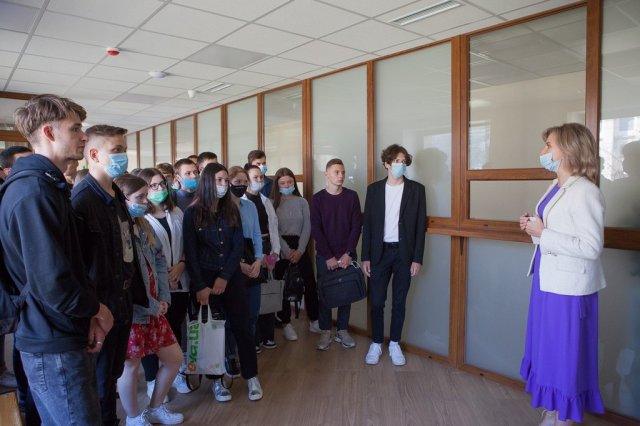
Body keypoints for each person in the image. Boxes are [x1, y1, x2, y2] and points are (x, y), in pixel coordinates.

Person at [1, 94, 113, 426]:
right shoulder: (34, 192)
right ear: (49, 132)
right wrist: (96, 309)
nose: (84, 136)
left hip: (60, 331)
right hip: (52, 340)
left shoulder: (48, 186)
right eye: (75, 128)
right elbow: (52, 282)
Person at [519, 123, 606, 426]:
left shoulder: (586, 191)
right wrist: (533, 228)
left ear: (568, 150)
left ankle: (563, 417)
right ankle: (553, 408)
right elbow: (551, 231)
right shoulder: (556, 186)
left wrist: (543, 232)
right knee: (548, 349)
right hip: (548, 280)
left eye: (549, 145)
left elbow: (591, 247)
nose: (543, 151)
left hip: (570, 288)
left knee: (565, 353)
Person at [72, 124, 148, 426]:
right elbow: (77, 265)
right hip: (101, 305)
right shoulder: (82, 200)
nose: (123, 156)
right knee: (100, 382)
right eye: (116, 150)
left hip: (123, 298)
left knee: (113, 374)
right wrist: (93, 309)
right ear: (93, 154)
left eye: (124, 149)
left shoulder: (116, 194)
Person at [183, 163, 263, 402]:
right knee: (212, 332)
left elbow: (237, 246)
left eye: (226, 180)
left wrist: (225, 277)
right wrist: (200, 286)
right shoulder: (192, 213)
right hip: (205, 280)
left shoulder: (231, 210)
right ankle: (217, 381)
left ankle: (251, 377)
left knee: (243, 328)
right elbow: (191, 253)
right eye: (219, 180)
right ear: (208, 182)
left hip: (231, 278)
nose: (224, 184)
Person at [114, 175, 184, 426]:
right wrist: (152, 304)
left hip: (155, 308)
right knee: (130, 367)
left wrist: (163, 298)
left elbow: (159, 263)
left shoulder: (143, 225)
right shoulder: (118, 229)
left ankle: (155, 408)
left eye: (146, 196)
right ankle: (134, 417)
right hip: (134, 311)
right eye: (140, 197)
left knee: (174, 358)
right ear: (123, 199)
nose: (146, 201)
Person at [361, 144, 426, 366]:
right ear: (387, 164)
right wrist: (365, 256)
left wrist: (417, 258)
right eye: (397, 161)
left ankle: (395, 343)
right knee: (377, 302)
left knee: (399, 302)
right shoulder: (374, 190)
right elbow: (368, 225)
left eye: (404, 161)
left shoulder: (417, 190)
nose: (401, 164)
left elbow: (420, 227)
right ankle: (376, 342)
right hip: (379, 253)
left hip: (404, 254)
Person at [138, 168, 192, 396]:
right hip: (154, 285)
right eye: (153, 186)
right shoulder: (141, 218)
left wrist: (180, 266)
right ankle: (153, 380)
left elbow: (189, 244)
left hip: (180, 279)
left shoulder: (177, 212)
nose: (159, 189)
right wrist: (164, 277)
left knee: (174, 328)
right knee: (152, 334)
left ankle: (176, 374)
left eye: (162, 184)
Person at [311, 158, 362, 350]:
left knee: (345, 294)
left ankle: (342, 330)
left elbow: (356, 227)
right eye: (336, 172)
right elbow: (316, 230)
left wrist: (348, 253)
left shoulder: (352, 197)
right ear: (327, 174)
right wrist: (329, 256)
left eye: (343, 172)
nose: (340, 176)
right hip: (325, 256)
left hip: (347, 254)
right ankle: (325, 331)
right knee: (324, 294)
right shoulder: (317, 199)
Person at [271, 167, 320, 341]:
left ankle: (314, 320)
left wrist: (300, 250)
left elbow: (307, 226)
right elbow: (273, 230)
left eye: (289, 182)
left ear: (294, 182)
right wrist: (286, 250)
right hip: (280, 247)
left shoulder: (302, 202)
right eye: (282, 183)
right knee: (282, 285)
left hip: (300, 246)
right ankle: (286, 323)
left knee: (310, 283)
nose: (286, 185)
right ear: (277, 185)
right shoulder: (272, 203)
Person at [227, 166, 263, 368]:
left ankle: (246, 353)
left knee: (252, 313)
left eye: (244, 182)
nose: (241, 186)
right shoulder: (221, 208)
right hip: (231, 266)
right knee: (233, 316)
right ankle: (231, 354)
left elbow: (257, 234)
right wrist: (237, 264)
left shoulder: (250, 206)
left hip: (252, 260)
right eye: (237, 182)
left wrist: (258, 260)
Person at [244, 165, 280, 351]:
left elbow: (274, 229)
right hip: (251, 253)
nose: (260, 180)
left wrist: (273, 256)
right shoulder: (242, 202)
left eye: (261, 177)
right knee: (253, 299)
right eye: (255, 177)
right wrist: (259, 257)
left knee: (269, 292)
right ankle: (254, 339)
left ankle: (268, 336)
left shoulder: (266, 201)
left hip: (269, 249)